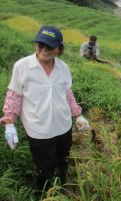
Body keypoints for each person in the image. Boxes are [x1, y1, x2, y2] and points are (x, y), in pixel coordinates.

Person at [0, 26, 90, 195]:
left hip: (63, 126)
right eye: (40, 44)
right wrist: (9, 123)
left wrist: (78, 115)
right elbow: (14, 96)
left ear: (59, 49)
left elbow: (67, 93)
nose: (44, 49)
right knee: (45, 167)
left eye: (50, 46)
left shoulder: (63, 68)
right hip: (39, 129)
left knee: (63, 159)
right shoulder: (23, 66)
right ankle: (44, 193)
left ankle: (62, 185)